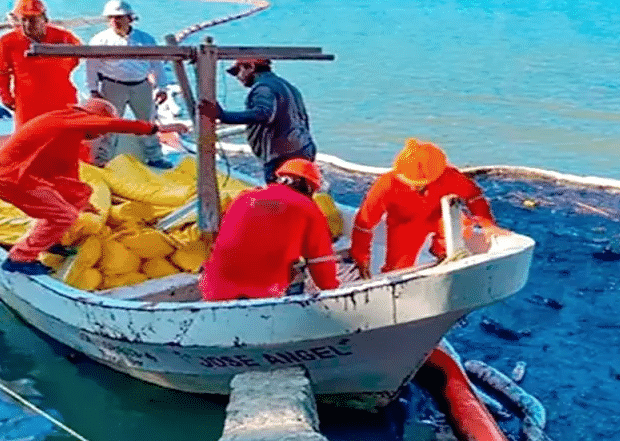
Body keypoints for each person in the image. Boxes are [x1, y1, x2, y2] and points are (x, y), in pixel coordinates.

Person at [0, 98, 188, 275]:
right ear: (92, 119)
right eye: (100, 131)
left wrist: (85, 204)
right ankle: (19, 258)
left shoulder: (66, 132)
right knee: (64, 216)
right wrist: (155, 129)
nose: (100, 136)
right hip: (12, 179)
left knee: (75, 199)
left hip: (21, 177)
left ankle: (52, 242)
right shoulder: (70, 119)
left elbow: (68, 176)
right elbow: (112, 124)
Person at [349, 138, 495, 277]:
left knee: (462, 223)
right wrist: (361, 257)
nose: (414, 186)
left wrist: (487, 224)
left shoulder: (449, 176)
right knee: (397, 269)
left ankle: (441, 251)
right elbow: (364, 223)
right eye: (408, 181)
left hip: (437, 217)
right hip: (404, 224)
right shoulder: (386, 184)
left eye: (419, 183)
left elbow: (474, 197)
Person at [199, 159, 339, 300]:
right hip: (263, 292)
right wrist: (332, 292)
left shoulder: (244, 197)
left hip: (214, 288)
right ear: (309, 188)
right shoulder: (308, 208)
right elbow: (321, 260)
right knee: (298, 271)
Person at [85, 0, 173, 169]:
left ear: (130, 18)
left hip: (141, 86)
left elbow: (157, 65)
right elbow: (91, 67)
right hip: (112, 86)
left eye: (119, 17)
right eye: (111, 17)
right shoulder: (99, 40)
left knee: (147, 123)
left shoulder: (146, 39)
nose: (115, 21)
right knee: (108, 124)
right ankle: (101, 159)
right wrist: (93, 90)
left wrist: (162, 87)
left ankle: (155, 157)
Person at [198, 58, 315, 183]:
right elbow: (304, 119)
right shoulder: (290, 88)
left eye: (237, 71)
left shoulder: (263, 87)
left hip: (282, 154)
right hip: (304, 148)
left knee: (280, 193)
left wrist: (223, 115)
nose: (237, 77)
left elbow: (263, 113)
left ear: (251, 67)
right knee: (300, 190)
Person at [0, 0, 83, 129]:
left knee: (65, 135)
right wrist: (6, 97)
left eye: (33, 20)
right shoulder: (7, 41)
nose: (28, 24)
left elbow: (77, 57)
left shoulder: (64, 37)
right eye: (23, 20)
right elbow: (0, 73)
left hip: (62, 100)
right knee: (28, 137)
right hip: (27, 104)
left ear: (44, 19)